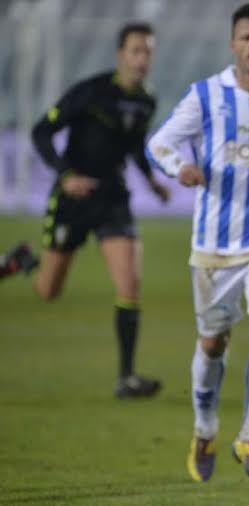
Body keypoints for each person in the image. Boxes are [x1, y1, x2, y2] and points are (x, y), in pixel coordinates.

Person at [146, 2, 249, 482]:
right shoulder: (205, 96)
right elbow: (159, 143)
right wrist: (180, 167)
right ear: (233, 44)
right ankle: (205, 430)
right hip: (214, 246)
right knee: (213, 342)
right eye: (248, 37)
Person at [0, 22, 168, 398]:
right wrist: (65, 176)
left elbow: (134, 145)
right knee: (48, 290)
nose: (142, 59)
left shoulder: (147, 100)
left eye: (148, 52)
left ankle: (127, 377)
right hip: (73, 200)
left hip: (113, 199)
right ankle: (19, 261)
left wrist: (151, 181)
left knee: (130, 283)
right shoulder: (90, 92)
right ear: (120, 55)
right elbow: (41, 131)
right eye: (136, 51)